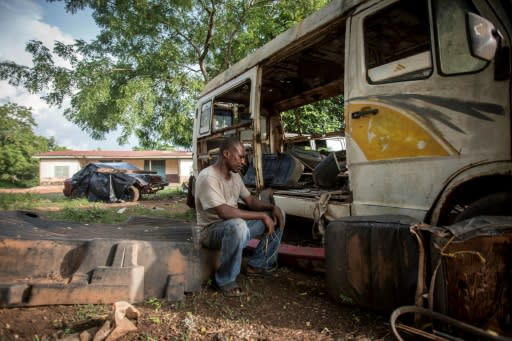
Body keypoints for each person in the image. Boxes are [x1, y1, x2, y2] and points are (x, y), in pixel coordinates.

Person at [194, 137, 285, 297]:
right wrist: (262, 216)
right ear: (227, 154)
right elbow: (224, 212)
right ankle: (224, 280)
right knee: (238, 225)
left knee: (278, 215)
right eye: (241, 156)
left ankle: (257, 265)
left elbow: (250, 201)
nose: (244, 161)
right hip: (210, 231)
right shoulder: (208, 177)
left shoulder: (235, 176)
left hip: (233, 226)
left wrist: (271, 208)